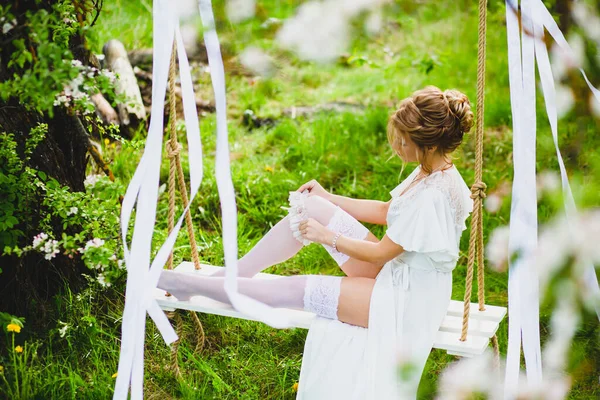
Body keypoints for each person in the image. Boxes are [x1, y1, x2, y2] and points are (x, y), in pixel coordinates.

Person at [157, 85, 475, 399]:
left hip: (405, 299)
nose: (397, 147)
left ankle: (192, 286)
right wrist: (328, 198)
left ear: (429, 145)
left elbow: (380, 253)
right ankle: (235, 274)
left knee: (297, 290)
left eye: (403, 142)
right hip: (397, 272)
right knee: (311, 207)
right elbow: (384, 211)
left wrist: (329, 237)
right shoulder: (431, 170)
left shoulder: (433, 196)